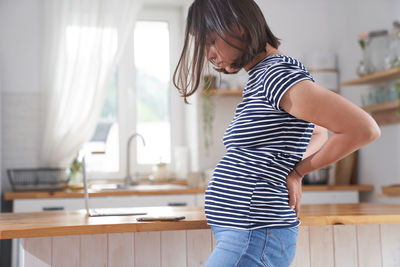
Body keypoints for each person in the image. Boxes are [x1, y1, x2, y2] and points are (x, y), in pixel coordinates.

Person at [173, 0, 381, 266]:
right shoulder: (262, 76)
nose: (209, 54)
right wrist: (288, 167)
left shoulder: (276, 74)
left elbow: (363, 129)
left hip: (254, 235)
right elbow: (318, 132)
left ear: (238, 25)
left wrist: (297, 172)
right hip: (248, 234)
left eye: (211, 40)